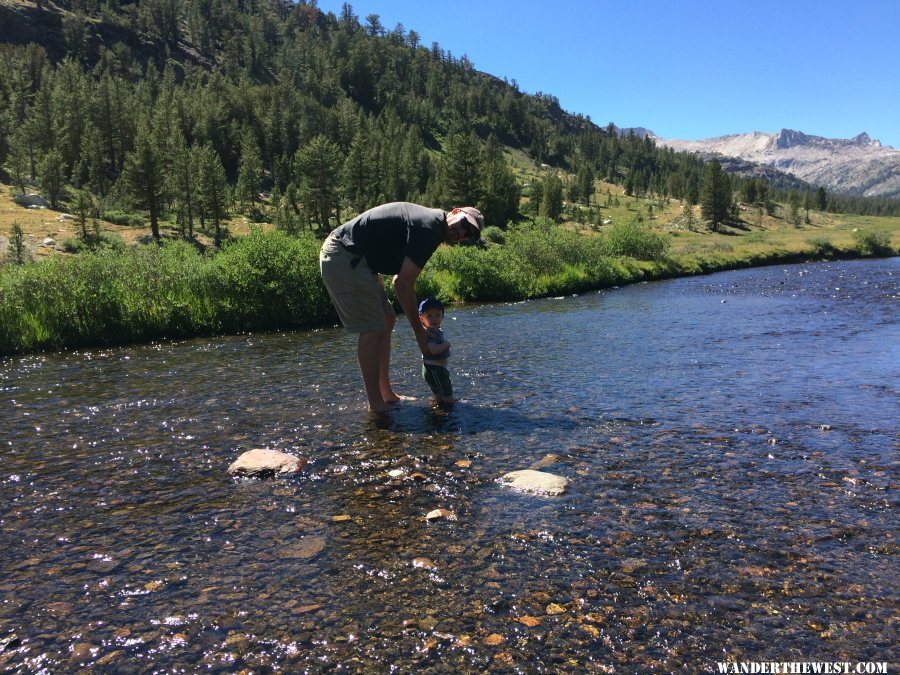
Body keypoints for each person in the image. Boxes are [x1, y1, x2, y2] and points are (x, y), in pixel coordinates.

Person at [319, 202, 483, 412]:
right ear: (454, 212)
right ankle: (376, 403)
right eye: (463, 224)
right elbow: (403, 284)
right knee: (372, 327)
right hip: (345, 255)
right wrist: (420, 335)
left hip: (360, 260)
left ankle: (386, 393)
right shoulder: (430, 227)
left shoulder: (431, 225)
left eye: (467, 234)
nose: (460, 232)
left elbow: (400, 277)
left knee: (387, 319)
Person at [418, 298, 454, 404]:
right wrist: (447, 344)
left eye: (437, 315)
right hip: (435, 369)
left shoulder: (435, 330)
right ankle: (447, 412)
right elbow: (433, 350)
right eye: (429, 316)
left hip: (435, 369)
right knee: (447, 395)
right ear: (421, 319)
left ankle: (438, 408)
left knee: (439, 396)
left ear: (442, 316)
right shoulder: (430, 333)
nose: (434, 319)